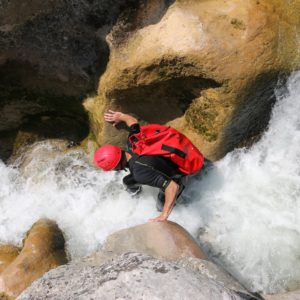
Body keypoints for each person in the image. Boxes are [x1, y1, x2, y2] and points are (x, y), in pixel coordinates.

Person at [94, 110, 198, 222]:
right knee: (128, 181)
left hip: (178, 173)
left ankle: (185, 203)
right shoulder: (132, 142)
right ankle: (136, 198)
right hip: (175, 156)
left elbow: (172, 187)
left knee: (160, 206)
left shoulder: (140, 173)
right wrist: (120, 116)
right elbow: (133, 121)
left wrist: (164, 215)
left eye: (111, 169)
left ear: (116, 166)